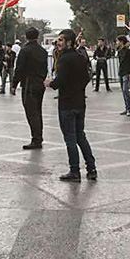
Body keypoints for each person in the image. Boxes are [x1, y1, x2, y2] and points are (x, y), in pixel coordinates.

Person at [45, 29, 97, 181]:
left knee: (70, 138)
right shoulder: (80, 57)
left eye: (61, 40)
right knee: (80, 136)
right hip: (79, 102)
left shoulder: (65, 59)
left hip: (67, 103)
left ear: (69, 42)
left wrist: (50, 83)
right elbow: (87, 76)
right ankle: (91, 168)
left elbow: (60, 81)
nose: (58, 43)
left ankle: (75, 171)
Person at [14, 27, 48, 149]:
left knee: (31, 112)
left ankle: (36, 139)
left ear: (26, 37)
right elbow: (45, 69)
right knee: (38, 111)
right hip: (39, 83)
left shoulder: (25, 51)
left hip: (29, 83)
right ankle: (38, 136)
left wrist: (14, 85)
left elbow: (19, 69)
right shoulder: (43, 51)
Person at [116, 36, 130, 116]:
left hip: (127, 72)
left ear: (121, 42)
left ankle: (129, 109)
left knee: (125, 90)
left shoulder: (128, 51)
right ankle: (127, 107)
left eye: (117, 41)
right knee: (123, 91)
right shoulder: (120, 51)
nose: (116, 43)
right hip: (122, 72)